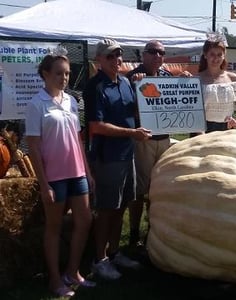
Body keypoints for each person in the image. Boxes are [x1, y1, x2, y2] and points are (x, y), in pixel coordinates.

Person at [25, 50, 95, 297]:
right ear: (45, 74)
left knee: (84, 221)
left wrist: (87, 172)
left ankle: (72, 271)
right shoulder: (36, 105)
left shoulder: (72, 101)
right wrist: (44, 185)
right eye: (59, 73)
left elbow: (78, 139)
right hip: (54, 177)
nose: (64, 78)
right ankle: (55, 280)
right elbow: (32, 146)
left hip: (76, 174)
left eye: (67, 73)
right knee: (53, 227)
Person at [82, 39, 151, 280]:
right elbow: (96, 126)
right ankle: (99, 260)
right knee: (106, 209)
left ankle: (114, 252)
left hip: (127, 154)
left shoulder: (124, 82)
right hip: (107, 157)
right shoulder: (94, 87)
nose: (116, 60)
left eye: (119, 55)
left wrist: (144, 89)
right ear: (99, 60)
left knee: (121, 205)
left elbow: (134, 111)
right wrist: (132, 133)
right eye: (110, 56)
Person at [125, 40, 177, 250]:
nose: (157, 56)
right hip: (143, 140)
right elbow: (129, 112)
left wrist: (184, 83)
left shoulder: (167, 77)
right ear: (144, 55)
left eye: (161, 53)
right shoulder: (132, 78)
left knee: (160, 188)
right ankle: (134, 234)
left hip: (164, 139)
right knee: (139, 190)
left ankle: (153, 231)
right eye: (153, 52)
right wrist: (138, 88)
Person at [198, 36, 236, 132]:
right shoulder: (196, 79)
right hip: (200, 131)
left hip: (226, 131)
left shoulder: (233, 78)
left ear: (224, 55)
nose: (215, 58)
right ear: (205, 55)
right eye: (212, 54)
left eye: (219, 54)